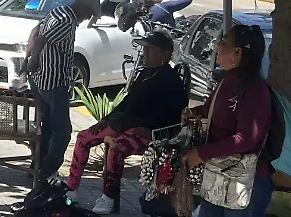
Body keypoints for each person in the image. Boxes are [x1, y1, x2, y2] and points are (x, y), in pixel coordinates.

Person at [66, 32, 187, 214]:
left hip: (150, 132)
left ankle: (108, 197)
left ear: (164, 54)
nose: (144, 52)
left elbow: (175, 119)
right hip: (124, 123)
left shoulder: (173, 81)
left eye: (149, 49)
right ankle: (71, 188)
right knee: (84, 137)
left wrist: (152, 132)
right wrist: (106, 119)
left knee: (117, 148)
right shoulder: (145, 73)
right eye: (144, 48)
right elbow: (127, 101)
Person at [184, 24, 274, 217]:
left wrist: (201, 153)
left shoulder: (255, 90)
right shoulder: (226, 81)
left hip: (246, 182)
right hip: (218, 174)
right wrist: (194, 113)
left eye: (223, 42)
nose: (217, 45)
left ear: (237, 52)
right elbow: (211, 111)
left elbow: (246, 138)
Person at [26, 0, 102, 183]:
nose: (88, 18)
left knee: (49, 127)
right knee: (63, 131)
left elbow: (36, 31)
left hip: (40, 80)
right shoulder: (67, 21)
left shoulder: (57, 11)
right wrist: (33, 59)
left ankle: (37, 166)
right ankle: (47, 171)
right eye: (89, 13)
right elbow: (41, 39)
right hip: (53, 82)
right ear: (83, 8)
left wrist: (29, 61)